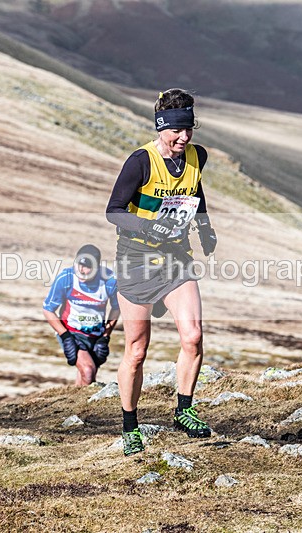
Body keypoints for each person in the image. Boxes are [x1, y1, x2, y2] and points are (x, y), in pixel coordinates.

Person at [106, 88, 218, 456]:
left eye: (190, 130)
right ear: (161, 128)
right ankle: (130, 425)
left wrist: (204, 228)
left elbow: (194, 190)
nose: (184, 138)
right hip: (136, 261)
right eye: (177, 131)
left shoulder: (195, 156)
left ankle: (184, 410)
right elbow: (114, 210)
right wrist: (146, 227)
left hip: (176, 259)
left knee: (194, 337)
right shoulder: (140, 161)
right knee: (137, 351)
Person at [43, 244, 120, 386]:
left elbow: (116, 308)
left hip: (96, 335)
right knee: (88, 370)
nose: (82, 270)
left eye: (87, 267)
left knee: (87, 374)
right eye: (79, 264)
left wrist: (105, 335)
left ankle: (76, 404)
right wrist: (65, 337)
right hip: (71, 332)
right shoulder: (66, 279)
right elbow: (48, 309)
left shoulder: (109, 281)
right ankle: (86, 407)